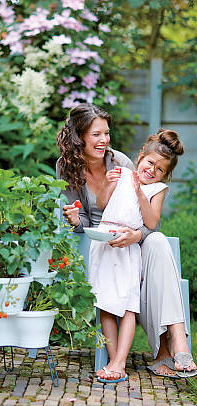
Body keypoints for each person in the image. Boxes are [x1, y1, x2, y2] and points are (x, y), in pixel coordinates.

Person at [56, 103, 196, 380]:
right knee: (151, 247)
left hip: (129, 244)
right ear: (80, 136)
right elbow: (85, 220)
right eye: (96, 134)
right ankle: (164, 350)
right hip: (94, 245)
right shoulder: (66, 167)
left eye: (106, 133)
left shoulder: (121, 162)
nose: (104, 140)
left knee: (155, 241)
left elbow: (144, 219)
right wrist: (74, 220)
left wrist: (136, 235)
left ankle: (176, 342)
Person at [87, 129, 181, 382]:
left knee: (128, 306)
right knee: (105, 304)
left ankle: (118, 363)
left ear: (165, 175)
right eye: (150, 163)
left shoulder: (156, 190)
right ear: (140, 157)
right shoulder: (123, 173)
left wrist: (141, 192)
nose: (152, 171)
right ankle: (115, 360)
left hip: (128, 249)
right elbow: (101, 204)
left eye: (160, 169)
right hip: (105, 245)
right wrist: (108, 183)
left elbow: (151, 221)